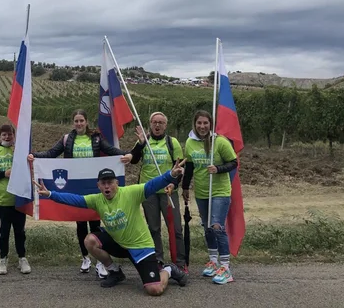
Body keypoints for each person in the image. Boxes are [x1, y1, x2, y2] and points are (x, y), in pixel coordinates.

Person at [34, 161, 188, 296]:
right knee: (90, 240)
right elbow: (76, 200)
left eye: (110, 182)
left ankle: (168, 270)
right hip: (119, 244)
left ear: (116, 183)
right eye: (103, 183)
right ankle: (115, 271)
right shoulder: (97, 200)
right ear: (98, 185)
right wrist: (50, 194)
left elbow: (153, 184)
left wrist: (170, 175)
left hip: (141, 247)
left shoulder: (131, 193)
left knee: (155, 290)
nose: (107, 186)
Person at [27, 109, 133, 279]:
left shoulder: (96, 138)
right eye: (76, 121)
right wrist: (35, 156)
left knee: (96, 224)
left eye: (81, 120)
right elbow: (51, 153)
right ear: (73, 123)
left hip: (93, 187)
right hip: (76, 187)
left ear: (86, 122)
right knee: (81, 224)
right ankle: (85, 258)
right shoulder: (67, 139)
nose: (79, 124)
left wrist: (128, 154)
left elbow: (112, 151)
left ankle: (100, 261)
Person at [182, 110, 238, 285]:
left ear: (211, 124)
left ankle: (226, 267)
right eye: (199, 123)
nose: (202, 126)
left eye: (206, 123)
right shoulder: (190, 142)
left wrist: (218, 169)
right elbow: (190, 167)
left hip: (219, 191)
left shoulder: (220, 142)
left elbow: (234, 162)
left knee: (217, 226)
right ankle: (213, 262)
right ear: (195, 124)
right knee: (207, 227)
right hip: (202, 192)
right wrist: (185, 186)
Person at [131, 112, 186, 270]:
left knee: (175, 228)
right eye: (154, 122)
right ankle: (158, 260)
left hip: (168, 191)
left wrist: (174, 184)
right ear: (150, 124)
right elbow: (133, 160)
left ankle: (180, 263)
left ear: (165, 125)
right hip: (148, 192)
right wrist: (140, 144)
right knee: (153, 228)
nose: (157, 125)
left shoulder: (172, 142)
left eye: (161, 122)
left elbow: (180, 167)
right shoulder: (144, 140)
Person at [0, 123, 31, 275]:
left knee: (20, 231)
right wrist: (4, 174)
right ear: (0, 136)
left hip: (19, 198)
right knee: (4, 232)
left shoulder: (19, 151)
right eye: (4, 135)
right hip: (3, 199)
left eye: (10, 134)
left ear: (14, 136)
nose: (7, 137)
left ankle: (22, 258)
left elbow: (29, 166)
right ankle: (3, 259)